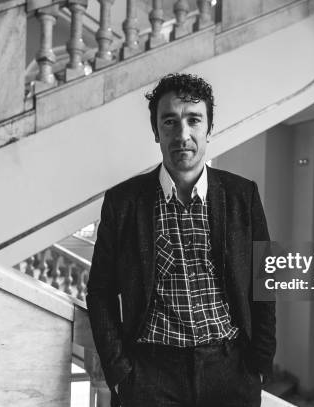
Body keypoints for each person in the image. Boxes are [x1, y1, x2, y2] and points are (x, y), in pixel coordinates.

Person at [86, 73, 275, 407]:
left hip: (230, 372)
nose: (182, 134)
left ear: (208, 128)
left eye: (193, 120)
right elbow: (100, 291)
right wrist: (120, 373)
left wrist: (258, 364)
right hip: (150, 376)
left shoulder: (242, 195)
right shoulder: (123, 202)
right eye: (170, 121)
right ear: (156, 131)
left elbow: (264, 281)